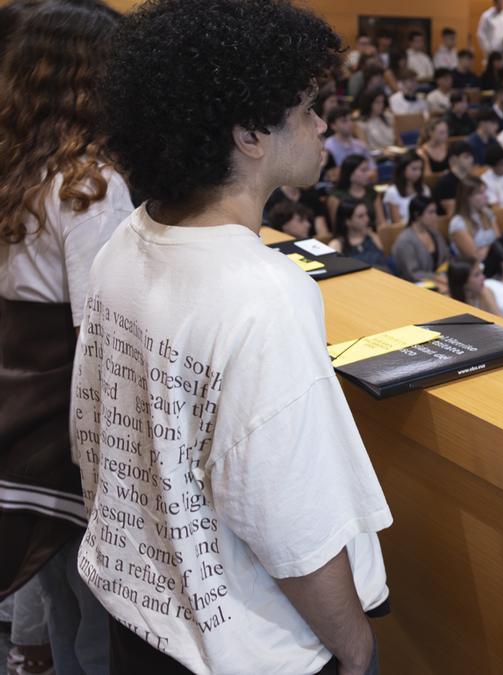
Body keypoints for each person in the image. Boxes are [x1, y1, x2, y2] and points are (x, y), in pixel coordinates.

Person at [82, 1, 391, 672]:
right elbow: (293, 527)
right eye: (309, 107)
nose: (323, 124)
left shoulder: (125, 242)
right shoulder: (264, 297)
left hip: (138, 615)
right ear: (251, 133)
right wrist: (356, 646)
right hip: (242, 650)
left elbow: (94, 433)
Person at [0, 3, 126, 672]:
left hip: (20, 427)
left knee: (62, 606)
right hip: (73, 439)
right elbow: (98, 335)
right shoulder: (89, 185)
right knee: (102, 626)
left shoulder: (18, 167)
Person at [392, 196, 450, 283]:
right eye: (431, 212)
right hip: (419, 285)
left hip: (441, 280)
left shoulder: (435, 233)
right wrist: (436, 278)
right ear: (417, 215)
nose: (435, 216)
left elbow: (446, 258)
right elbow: (412, 274)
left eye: (435, 212)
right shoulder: (405, 241)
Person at [329, 153, 385, 230]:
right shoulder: (336, 198)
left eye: (368, 170)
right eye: (363, 170)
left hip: (372, 235)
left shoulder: (372, 193)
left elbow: (382, 223)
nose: (368, 174)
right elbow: (336, 228)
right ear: (350, 173)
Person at [448, 177, 500, 260]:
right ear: (467, 197)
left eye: (485, 191)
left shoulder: (488, 213)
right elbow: (475, 256)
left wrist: (486, 249)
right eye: (480, 193)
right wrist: (493, 248)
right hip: (473, 268)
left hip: (494, 261)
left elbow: (500, 245)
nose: (486, 196)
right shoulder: (458, 223)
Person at [331, 198, 390, 269]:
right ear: (347, 221)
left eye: (366, 214)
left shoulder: (372, 235)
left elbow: (384, 260)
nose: (367, 219)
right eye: (360, 216)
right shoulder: (336, 245)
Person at [383, 152, 431, 225]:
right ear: (403, 170)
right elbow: (396, 223)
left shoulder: (425, 189)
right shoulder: (392, 192)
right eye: (414, 169)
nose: (418, 173)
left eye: (420, 169)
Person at [431, 141, 477, 213]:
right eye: (466, 157)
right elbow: (452, 212)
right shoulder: (445, 183)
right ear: (454, 159)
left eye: (471, 156)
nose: (471, 160)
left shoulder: (471, 179)